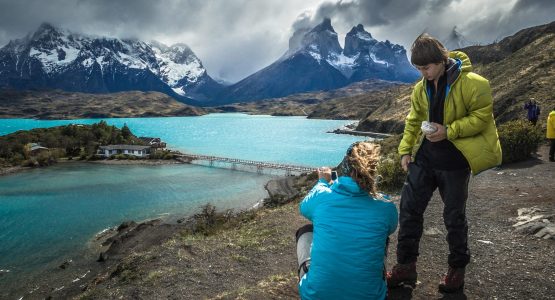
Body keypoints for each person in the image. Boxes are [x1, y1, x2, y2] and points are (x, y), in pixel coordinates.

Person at [387, 33, 502, 293]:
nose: (423, 73)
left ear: (441, 60)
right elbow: (413, 120)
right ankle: (405, 266)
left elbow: (482, 117)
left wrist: (448, 131)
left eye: (426, 67)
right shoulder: (420, 88)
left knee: (454, 217)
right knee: (409, 212)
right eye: (418, 69)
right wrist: (405, 151)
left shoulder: (475, 83)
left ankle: (456, 270)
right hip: (425, 159)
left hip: (454, 163)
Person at [295, 142, 398, 300]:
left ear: (344, 166)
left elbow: (304, 208)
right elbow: (391, 228)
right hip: (369, 297)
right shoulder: (385, 205)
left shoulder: (323, 196)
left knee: (306, 231)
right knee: (382, 237)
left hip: (317, 296)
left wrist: (322, 181)